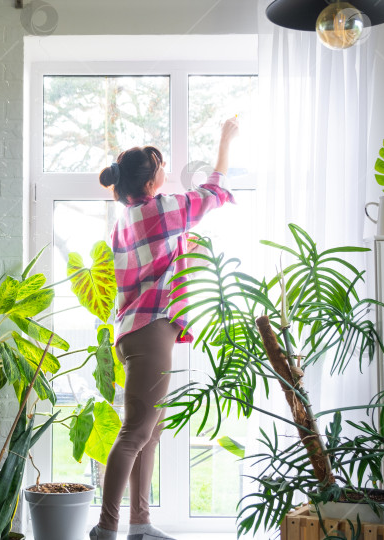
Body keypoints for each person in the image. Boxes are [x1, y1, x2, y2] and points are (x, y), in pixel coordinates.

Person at [90, 117, 240, 540]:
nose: (166, 173)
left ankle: (140, 525)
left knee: (149, 432)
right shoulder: (160, 210)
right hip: (151, 331)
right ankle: (106, 528)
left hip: (138, 332)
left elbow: (164, 256)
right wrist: (226, 141)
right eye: (161, 168)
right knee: (135, 432)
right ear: (151, 181)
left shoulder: (126, 220)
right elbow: (214, 193)